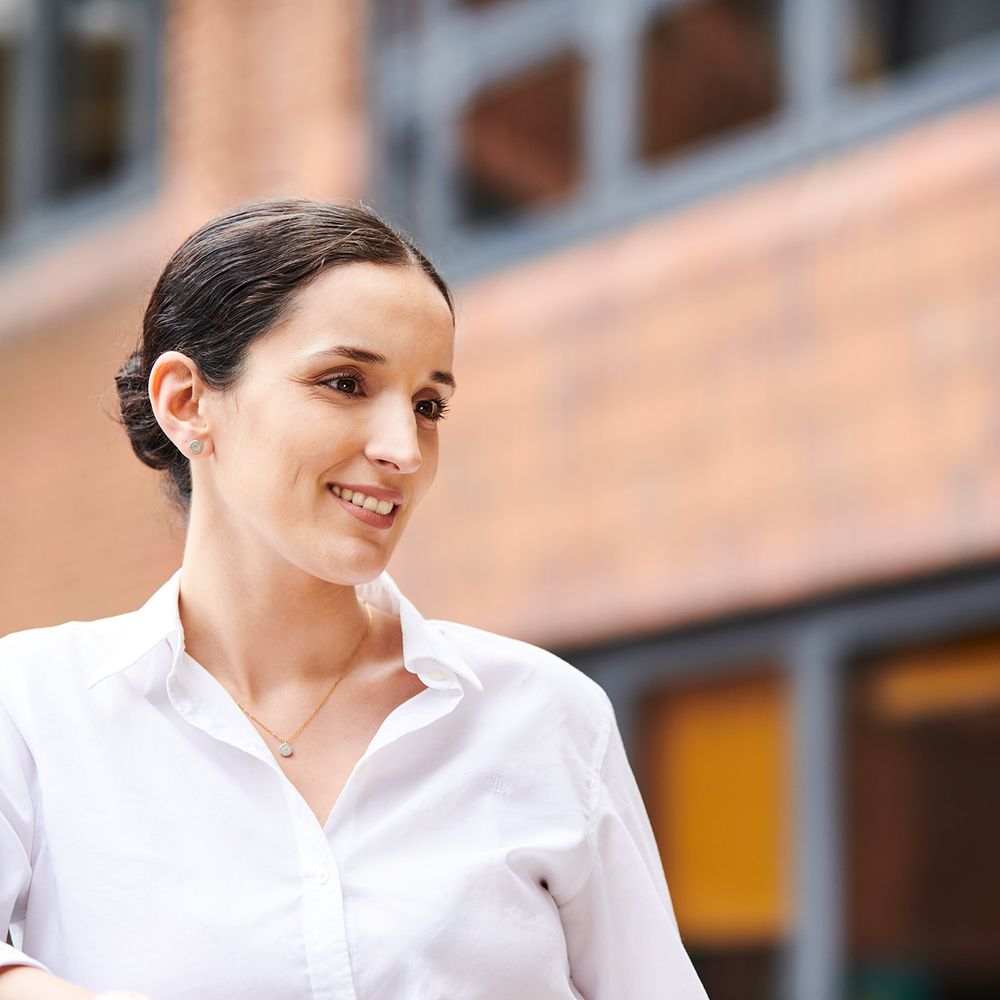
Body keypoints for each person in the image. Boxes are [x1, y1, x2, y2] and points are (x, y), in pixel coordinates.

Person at [0, 199, 709, 1000]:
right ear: (187, 403)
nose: (404, 450)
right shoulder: (32, 709)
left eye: (428, 405)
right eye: (345, 383)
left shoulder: (544, 715)